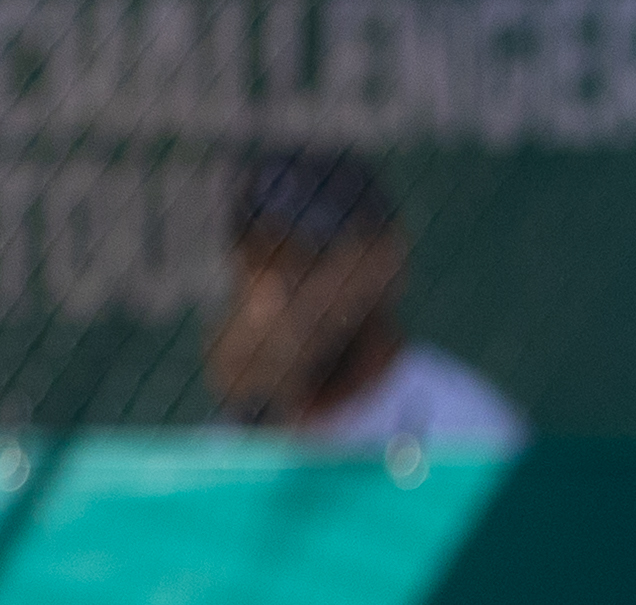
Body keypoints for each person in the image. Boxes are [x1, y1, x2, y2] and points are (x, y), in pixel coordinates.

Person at [206, 148, 524, 448]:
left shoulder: (465, 430)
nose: (276, 293)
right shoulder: (227, 450)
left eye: (305, 260)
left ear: (383, 260)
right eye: (259, 263)